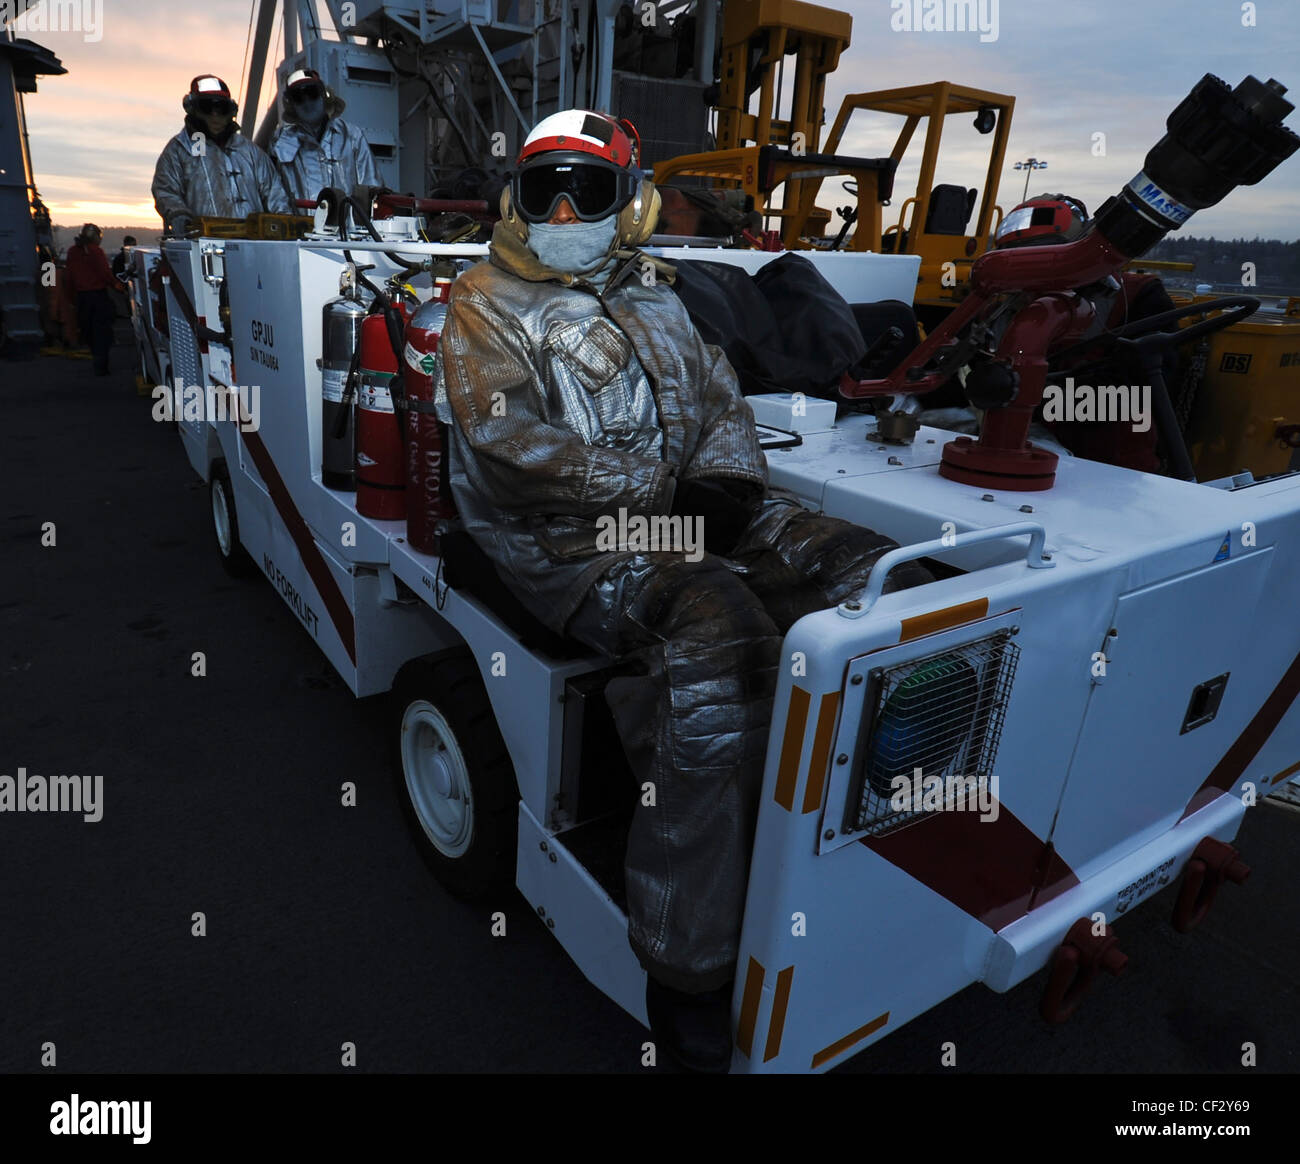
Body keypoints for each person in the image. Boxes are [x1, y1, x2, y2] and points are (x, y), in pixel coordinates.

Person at [434, 109, 931, 1072]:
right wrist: (660, 497)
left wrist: (728, 488)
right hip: (562, 540)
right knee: (717, 638)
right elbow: (507, 448)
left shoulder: (656, 294)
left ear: (634, 205)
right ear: (516, 200)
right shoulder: (483, 303)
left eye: (590, 191)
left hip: (685, 508)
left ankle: (869, 847)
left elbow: (717, 402)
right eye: (546, 193)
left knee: (879, 579)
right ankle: (688, 962)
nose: (567, 210)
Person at [152, 75, 291, 235]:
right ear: (193, 109)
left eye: (221, 108)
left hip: (254, 245)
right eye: (207, 107)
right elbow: (166, 190)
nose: (215, 115)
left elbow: (274, 192)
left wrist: (283, 224)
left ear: (230, 111)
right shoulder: (178, 150)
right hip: (203, 245)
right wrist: (178, 214)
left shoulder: (251, 152)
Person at [270, 68, 380, 203]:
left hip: (348, 224)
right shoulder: (280, 142)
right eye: (298, 97)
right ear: (291, 105)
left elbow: (372, 187)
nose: (307, 102)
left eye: (312, 93)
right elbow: (274, 195)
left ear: (323, 95)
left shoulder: (351, 136)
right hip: (302, 224)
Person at [63, 224, 121, 375]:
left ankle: (97, 358)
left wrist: (70, 299)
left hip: (82, 299)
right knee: (102, 331)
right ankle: (101, 364)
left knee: (88, 330)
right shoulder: (96, 251)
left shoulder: (72, 252)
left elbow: (69, 277)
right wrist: (117, 285)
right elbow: (104, 273)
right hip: (98, 297)